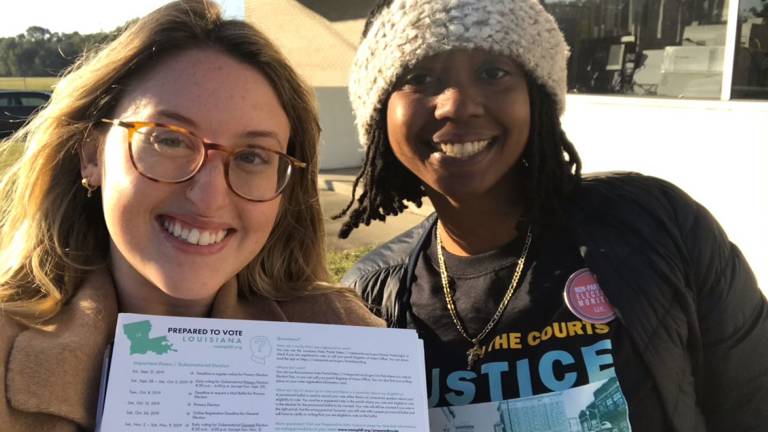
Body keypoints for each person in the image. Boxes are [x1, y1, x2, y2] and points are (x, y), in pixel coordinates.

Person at [337, 0, 768, 430]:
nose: (457, 105)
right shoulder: (372, 297)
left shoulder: (657, 223)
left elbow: (753, 403)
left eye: (493, 73)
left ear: (537, 94)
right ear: (378, 114)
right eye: (419, 78)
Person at [0, 1, 382, 429]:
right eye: (169, 140)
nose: (209, 197)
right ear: (92, 155)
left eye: (253, 155)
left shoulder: (347, 344)